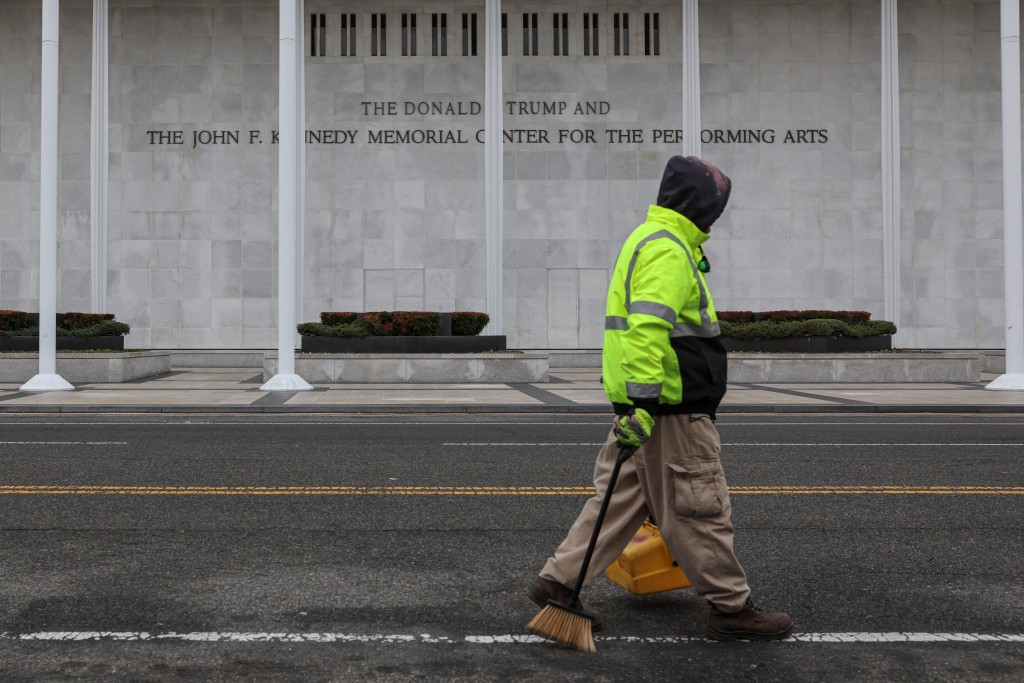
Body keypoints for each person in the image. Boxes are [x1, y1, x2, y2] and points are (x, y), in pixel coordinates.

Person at [527, 155, 792, 641]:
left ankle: (559, 582)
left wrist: (636, 405)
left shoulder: (649, 239)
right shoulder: (669, 249)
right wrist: (646, 404)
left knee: (616, 501)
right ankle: (731, 607)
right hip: (669, 411)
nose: (718, 214)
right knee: (698, 506)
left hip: (648, 409)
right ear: (700, 204)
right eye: (715, 204)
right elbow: (648, 330)